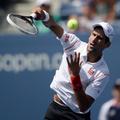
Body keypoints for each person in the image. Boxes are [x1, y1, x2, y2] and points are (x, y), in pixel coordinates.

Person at [32, 7, 114, 120]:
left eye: (99, 38)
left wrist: (75, 76)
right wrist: (44, 15)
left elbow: (84, 106)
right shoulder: (74, 44)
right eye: (93, 34)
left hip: (77, 117)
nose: (94, 40)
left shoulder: (103, 73)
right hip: (55, 109)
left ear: (107, 45)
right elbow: (53, 25)